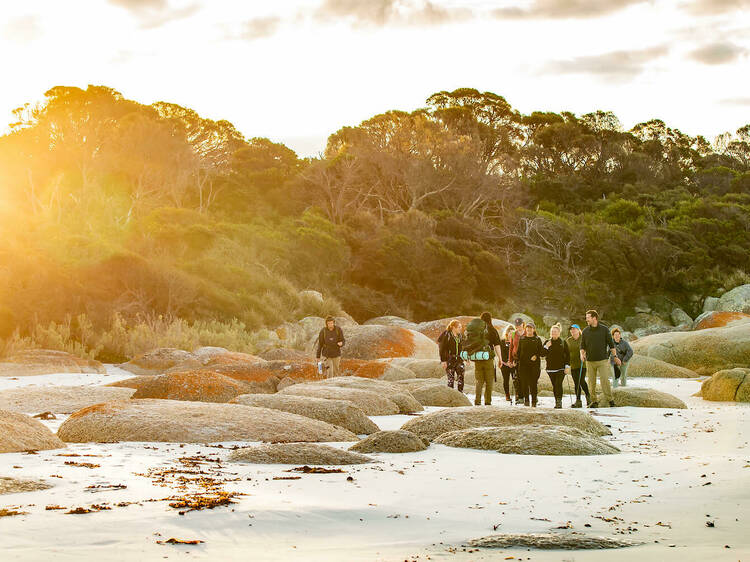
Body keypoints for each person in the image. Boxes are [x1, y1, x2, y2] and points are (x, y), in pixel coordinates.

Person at [579, 310, 617, 408]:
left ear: (594, 318)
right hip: (590, 361)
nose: (586, 319)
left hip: (602, 361)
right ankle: (594, 401)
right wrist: (581, 355)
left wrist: (615, 357)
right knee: (591, 383)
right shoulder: (585, 331)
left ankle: (610, 400)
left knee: (605, 381)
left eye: (588, 317)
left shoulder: (604, 330)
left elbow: (611, 345)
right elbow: (582, 346)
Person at [462, 317, 495, 406]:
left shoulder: (472, 334)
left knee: (479, 381)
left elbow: (467, 346)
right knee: (489, 382)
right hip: (488, 360)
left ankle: (477, 401)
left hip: (477, 360)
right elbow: (497, 344)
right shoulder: (488, 332)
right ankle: (488, 401)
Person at [517, 322, 545, 407]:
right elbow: (518, 352)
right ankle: (526, 401)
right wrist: (515, 360)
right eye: (527, 328)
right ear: (525, 329)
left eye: (531, 328)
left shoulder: (537, 339)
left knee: (533, 383)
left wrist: (536, 356)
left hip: (534, 366)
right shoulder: (522, 339)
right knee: (524, 383)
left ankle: (533, 401)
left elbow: (541, 352)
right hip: (523, 365)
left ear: (534, 329)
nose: (529, 329)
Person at [543, 324, 570, 409]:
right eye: (552, 332)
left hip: (561, 368)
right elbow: (542, 354)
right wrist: (546, 347)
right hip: (550, 368)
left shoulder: (563, 342)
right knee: (555, 385)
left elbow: (568, 355)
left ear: (559, 333)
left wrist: (567, 366)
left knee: (558, 384)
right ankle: (556, 401)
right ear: (550, 333)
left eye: (555, 332)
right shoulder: (547, 342)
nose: (553, 333)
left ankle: (559, 402)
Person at [566, 324, 591, 408]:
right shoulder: (568, 340)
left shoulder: (583, 339)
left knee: (581, 381)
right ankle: (578, 401)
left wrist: (584, 354)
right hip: (573, 365)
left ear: (578, 330)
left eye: (574, 329)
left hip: (582, 364)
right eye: (571, 329)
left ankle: (588, 397)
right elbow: (566, 352)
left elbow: (588, 348)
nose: (572, 331)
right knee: (576, 383)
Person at [439, 320, 465, 392]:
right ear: (453, 327)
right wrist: (443, 361)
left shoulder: (460, 336)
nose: (460, 329)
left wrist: (466, 357)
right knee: (451, 380)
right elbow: (442, 349)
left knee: (461, 378)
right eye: (459, 327)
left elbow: (464, 347)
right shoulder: (446, 335)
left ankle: (460, 394)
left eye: (461, 327)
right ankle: (451, 396)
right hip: (449, 360)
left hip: (459, 360)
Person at [508, 317, 525, 405]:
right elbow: (511, 347)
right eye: (517, 325)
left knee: (525, 378)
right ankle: (520, 397)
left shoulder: (527, 333)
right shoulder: (514, 334)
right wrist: (510, 360)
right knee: (517, 379)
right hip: (516, 359)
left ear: (523, 324)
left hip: (525, 360)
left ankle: (528, 396)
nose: (518, 326)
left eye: (520, 324)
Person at [498, 326, 515, 403]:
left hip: (513, 364)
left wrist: (513, 362)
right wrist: (507, 362)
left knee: (516, 379)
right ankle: (507, 395)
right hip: (505, 364)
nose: (511, 335)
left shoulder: (516, 341)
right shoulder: (502, 341)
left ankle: (517, 395)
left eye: (513, 333)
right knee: (506, 380)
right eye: (509, 333)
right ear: (506, 333)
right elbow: (501, 353)